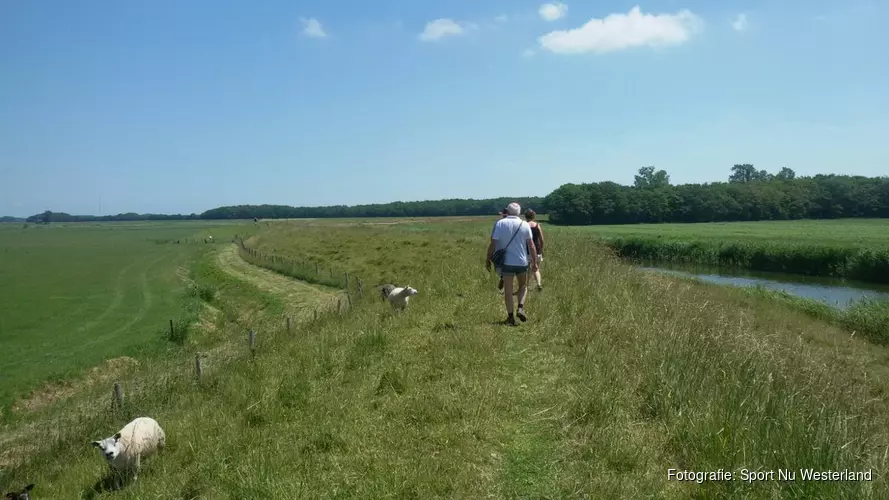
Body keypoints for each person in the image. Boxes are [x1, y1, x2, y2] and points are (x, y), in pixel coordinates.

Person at [486, 202, 539, 325]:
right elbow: (531, 246)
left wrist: (488, 258)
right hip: (522, 261)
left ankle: (510, 318)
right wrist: (534, 262)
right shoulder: (524, 224)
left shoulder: (500, 224)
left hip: (506, 262)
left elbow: (493, 244)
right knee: (523, 287)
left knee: (508, 290)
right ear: (519, 212)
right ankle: (520, 307)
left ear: (507, 212)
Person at [524, 209, 544, 290]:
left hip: (527, 250)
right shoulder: (537, 225)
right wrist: (541, 249)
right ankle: (539, 284)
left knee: (527, 269)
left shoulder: (524, 225)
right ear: (533, 216)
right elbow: (542, 239)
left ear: (525, 216)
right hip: (537, 249)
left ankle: (526, 285)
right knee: (536, 269)